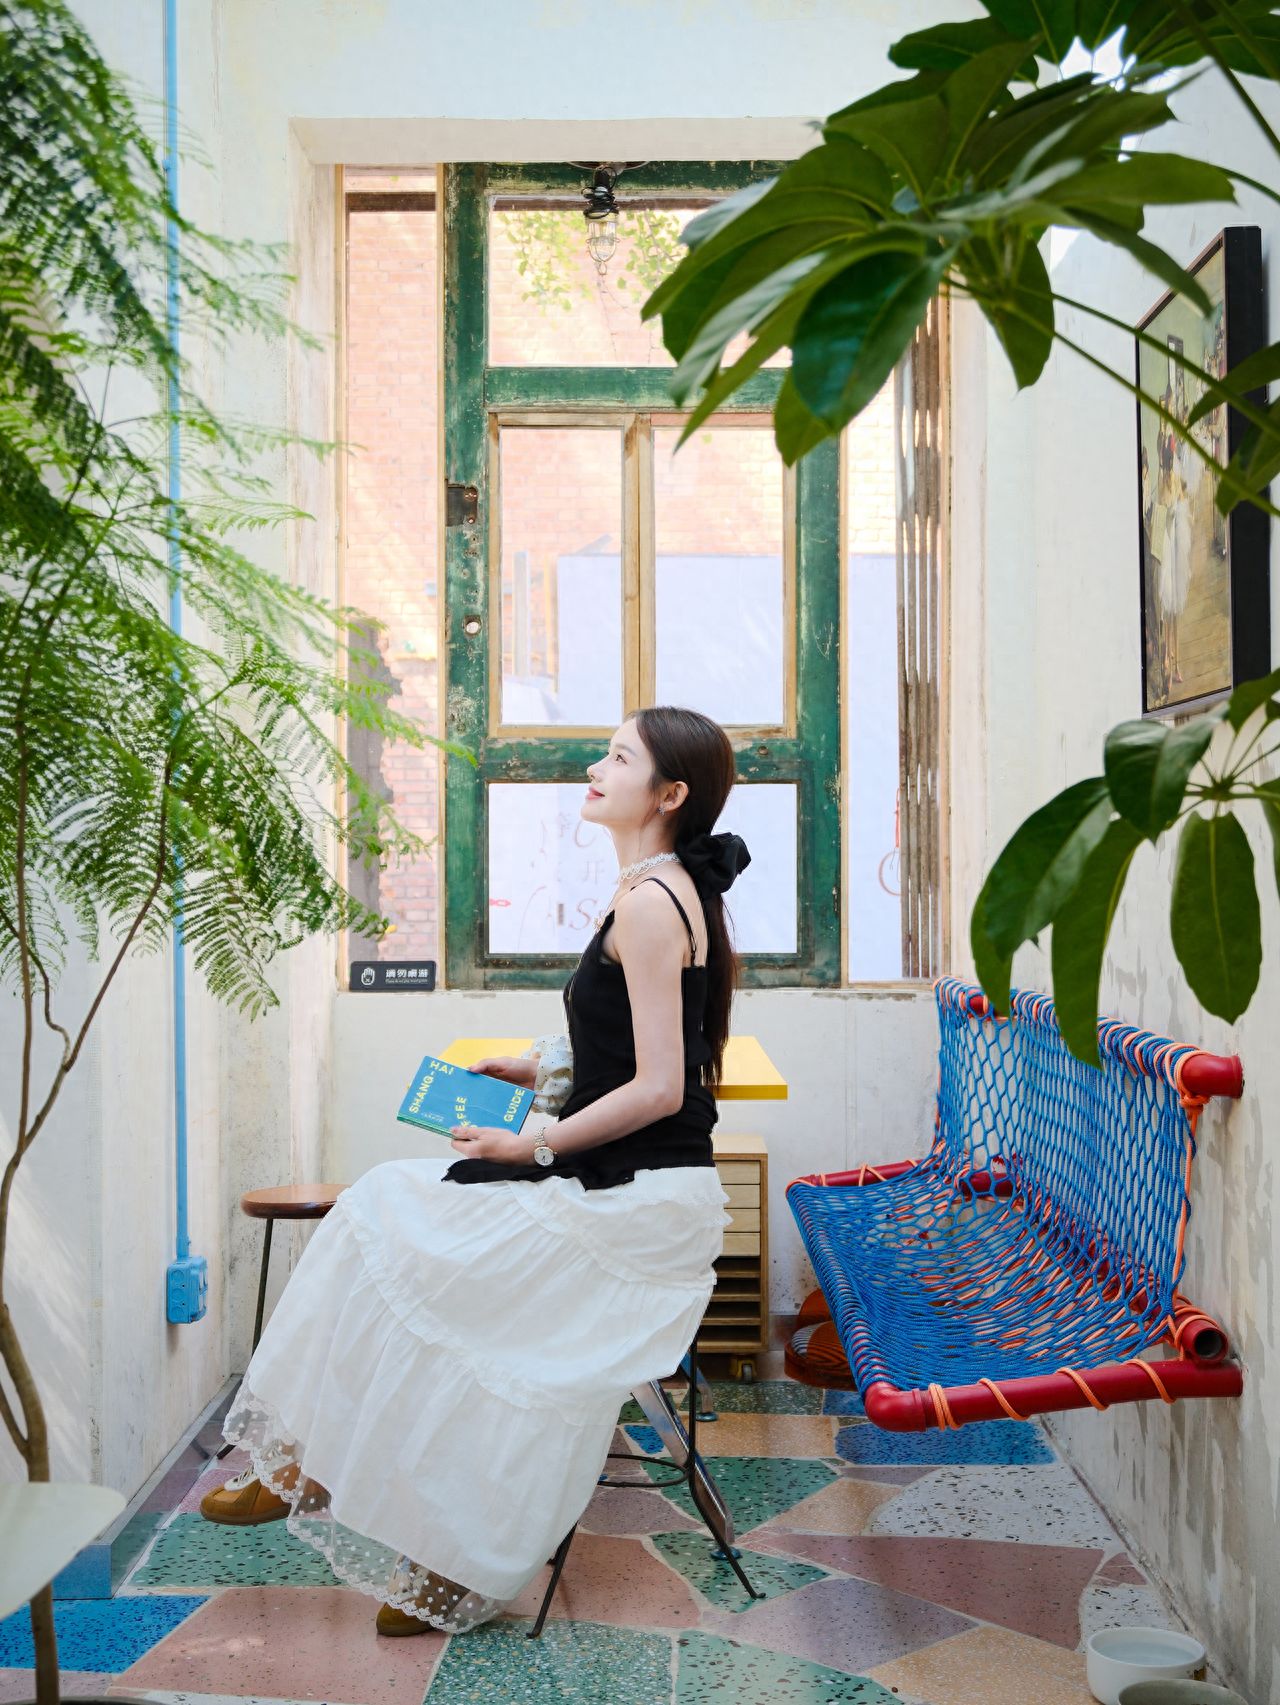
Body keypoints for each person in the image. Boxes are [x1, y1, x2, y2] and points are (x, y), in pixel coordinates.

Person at [200, 705, 751, 1636]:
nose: (594, 767)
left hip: (639, 1205)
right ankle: (317, 1468)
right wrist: (537, 1070)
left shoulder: (654, 900)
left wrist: (529, 1143)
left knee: (406, 1241)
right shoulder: (654, 887)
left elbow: (662, 1088)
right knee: (384, 1217)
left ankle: (404, 1530)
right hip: (623, 1184)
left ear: (669, 793)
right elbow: (635, 1049)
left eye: (618, 757)